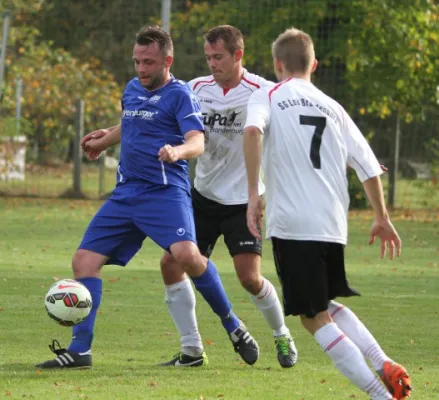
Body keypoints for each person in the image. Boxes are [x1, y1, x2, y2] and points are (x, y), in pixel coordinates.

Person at [35, 25, 259, 369]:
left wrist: (178, 151)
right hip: (126, 194)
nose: (141, 69)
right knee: (84, 261)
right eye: (137, 61)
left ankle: (233, 325)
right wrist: (102, 141)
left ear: (167, 61)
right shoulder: (132, 89)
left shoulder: (182, 94)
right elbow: (132, 123)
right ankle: (80, 350)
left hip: (165, 192)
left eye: (149, 62)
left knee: (187, 255)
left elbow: (198, 140)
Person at [82, 25, 298, 369]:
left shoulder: (262, 91)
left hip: (245, 198)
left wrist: (345, 154)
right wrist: (106, 137)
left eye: (219, 57)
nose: (211, 63)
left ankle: (281, 333)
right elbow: (144, 119)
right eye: (208, 57)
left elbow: (300, 124)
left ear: (237, 55)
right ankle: (192, 350)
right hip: (203, 194)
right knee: (172, 261)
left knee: (249, 278)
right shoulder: (196, 89)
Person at [243, 27, 412, 400]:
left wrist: (254, 194)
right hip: (332, 225)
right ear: (314, 64)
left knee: (312, 317)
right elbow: (368, 166)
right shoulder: (333, 107)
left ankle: (379, 393)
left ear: (277, 64)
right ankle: (381, 360)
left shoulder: (267, 94)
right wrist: (381, 217)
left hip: (293, 223)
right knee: (325, 305)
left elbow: (253, 132)